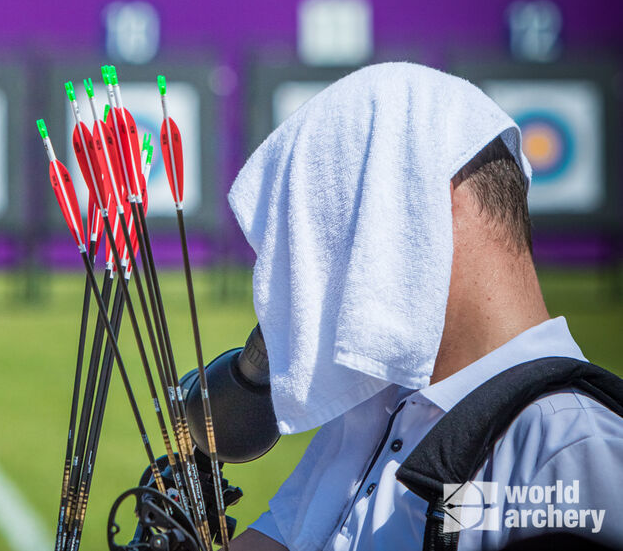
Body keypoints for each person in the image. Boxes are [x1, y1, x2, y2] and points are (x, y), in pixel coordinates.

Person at [223, 63, 623, 551]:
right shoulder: (384, 410)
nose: (314, 281)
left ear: (419, 207)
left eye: (338, 228)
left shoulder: (568, 446)